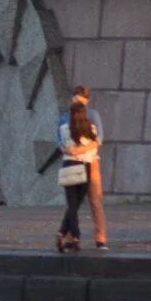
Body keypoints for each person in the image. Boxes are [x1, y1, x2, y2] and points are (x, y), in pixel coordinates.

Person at [55, 100, 99, 253]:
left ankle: (65, 234)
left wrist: (73, 151)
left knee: (72, 204)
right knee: (76, 204)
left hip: (69, 166)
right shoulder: (90, 128)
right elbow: (94, 149)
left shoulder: (64, 129)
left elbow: (66, 148)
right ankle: (73, 236)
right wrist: (86, 148)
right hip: (85, 167)